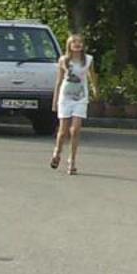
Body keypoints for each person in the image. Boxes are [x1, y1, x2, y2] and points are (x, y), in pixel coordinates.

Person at [49, 33, 93, 175]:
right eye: (74, 42)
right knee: (63, 132)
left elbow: (92, 76)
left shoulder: (88, 60)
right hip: (65, 98)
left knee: (75, 130)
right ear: (69, 45)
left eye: (80, 42)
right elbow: (59, 81)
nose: (77, 44)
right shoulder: (63, 60)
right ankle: (57, 152)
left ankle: (72, 160)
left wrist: (95, 89)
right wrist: (55, 101)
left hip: (80, 97)